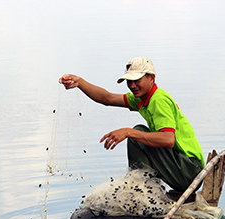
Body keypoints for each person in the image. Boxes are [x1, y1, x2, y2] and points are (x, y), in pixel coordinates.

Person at [59, 57, 204, 194]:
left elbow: (168, 139)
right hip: (184, 170)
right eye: (129, 81)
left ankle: (142, 190)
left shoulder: (158, 99)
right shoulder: (141, 98)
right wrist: (80, 82)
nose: (132, 85)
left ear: (151, 78)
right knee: (139, 134)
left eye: (137, 80)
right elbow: (107, 98)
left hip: (190, 171)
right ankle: (144, 188)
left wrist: (128, 132)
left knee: (137, 133)